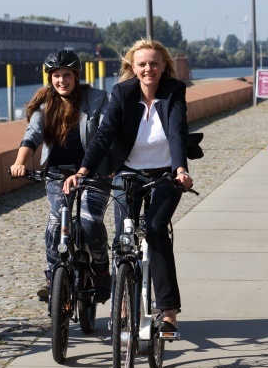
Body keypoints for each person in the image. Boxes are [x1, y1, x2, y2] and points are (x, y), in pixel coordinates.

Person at [63, 39, 192, 333]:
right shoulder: (122, 92)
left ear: (163, 66)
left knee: (156, 228)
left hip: (165, 174)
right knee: (124, 235)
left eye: (154, 63)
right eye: (142, 64)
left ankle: (168, 310)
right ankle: (121, 301)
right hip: (128, 172)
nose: (149, 69)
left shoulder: (174, 91)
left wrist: (181, 169)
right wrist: (83, 170)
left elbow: (177, 131)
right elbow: (105, 134)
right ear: (133, 67)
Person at [9, 50, 112, 303]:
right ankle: (53, 274)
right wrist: (19, 162)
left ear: (77, 76)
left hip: (94, 173)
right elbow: (32, 135)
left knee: (89, 221)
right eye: (56, 76)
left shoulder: (98, 99)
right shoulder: (45, 105)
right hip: (57, 174)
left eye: (67, 75)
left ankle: (101, 269)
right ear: (50, 78)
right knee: (56, 224)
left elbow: (105, 136)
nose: (61, 80)